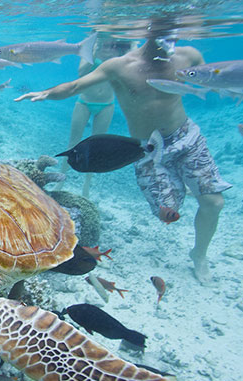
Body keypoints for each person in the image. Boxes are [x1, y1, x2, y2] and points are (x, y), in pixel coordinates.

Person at [15, 30, 230, 284]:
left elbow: (211, 79)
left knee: (214, 202)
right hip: (146, 147)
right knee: (167, 212)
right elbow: (75, 86)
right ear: (145, 34)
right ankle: (182, 184)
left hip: (186, 137)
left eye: (173, 31)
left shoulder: (189, 56)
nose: (169, 38)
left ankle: (199, 254)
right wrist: (47, 93)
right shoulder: (118, 66)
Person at [55, 37, 135, 197]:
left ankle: (87, 186)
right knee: (73, 143)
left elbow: (132, 65)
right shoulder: (90, 49)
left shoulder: (122, 53)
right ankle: (60, 181)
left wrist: (131, 45)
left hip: (107, 105)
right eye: (105, 43)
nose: (109, 47)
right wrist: (96, 51)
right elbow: (81, 73)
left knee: (97, 147)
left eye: (112, 44)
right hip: (84, 102)